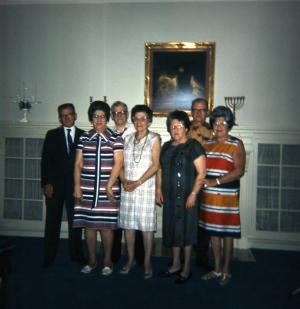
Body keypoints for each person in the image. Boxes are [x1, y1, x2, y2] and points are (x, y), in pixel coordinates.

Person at [73, 101, 123, 276]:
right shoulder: (84, 137)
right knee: (89, 227)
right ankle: (92, 259)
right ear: (91, 118)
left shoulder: (115, 138)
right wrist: (77, 187)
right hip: (86, 189)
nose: (99, 119)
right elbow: (78, 163)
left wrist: (109, 185)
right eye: (96, 116)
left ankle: (107, 260)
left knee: (106, 227)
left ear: (107, 119)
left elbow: (119, 163)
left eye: (102, 116)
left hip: (107, 190)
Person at [156, 110, 206, 284]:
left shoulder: (194, 146)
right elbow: (160, 169)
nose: (175, 129)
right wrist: (158, 190)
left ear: (186, 128)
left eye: (179, 126)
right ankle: (176, 264)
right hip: (169, 197)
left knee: (187, 230)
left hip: (187, 196)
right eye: (172, 126)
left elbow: (202, 173)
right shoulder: (166, 147)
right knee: (173, 229)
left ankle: (186, 268)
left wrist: (193, 194)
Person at [199, 106, 246, 285]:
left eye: (223, 123)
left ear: (229, 125)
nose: (218, 126)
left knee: (227, 233)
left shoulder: (236, 143)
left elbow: (239, 171)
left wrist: (216, 181)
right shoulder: (207, 143)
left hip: (227, 195)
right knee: (213, 233)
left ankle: (226, 269)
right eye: (216, 123)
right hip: (209, 196)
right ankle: (216, 268)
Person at [118, 105, 161, 279]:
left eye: (143, 118)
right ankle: (130, 260)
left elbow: (156, 165)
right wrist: (123, 180)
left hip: (145, 189)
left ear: (149, 120)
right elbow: (119, 164)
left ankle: (147, 262)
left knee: (146, 229)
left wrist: (138, 182)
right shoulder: (126, 139)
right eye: (136, 118)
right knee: (128, 226)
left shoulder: (154, 139)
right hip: (128, 188)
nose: (139, 122)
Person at [41, 103, 85, 268]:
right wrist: (46, 183)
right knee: (52, 223)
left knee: (76, 223)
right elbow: (45, 161)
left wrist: (82, 185)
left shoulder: (83, 135)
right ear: (59, 118)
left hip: (75, 187)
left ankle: (77, 255)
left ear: (75, 116)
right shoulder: (51, 135)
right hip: (55, 186)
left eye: (69, 114)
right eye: (63, 115)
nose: (66, 118)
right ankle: (49, 257)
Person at [110, 101, 145, 265]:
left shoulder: (136, 131)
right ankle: (114, 255)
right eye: (116, 113)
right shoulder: (108, 134)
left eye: (123, 112)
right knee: (115, 219)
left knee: (134, 220)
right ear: (112, 115)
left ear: (127, 114)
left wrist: (128, 181)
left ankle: (139, 256)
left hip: (132, 180)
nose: (120, 115)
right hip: (114, 180)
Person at [188, 98, 213, 271]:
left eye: (202, 110)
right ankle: (183, 256)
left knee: (204, 219)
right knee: (187, 217)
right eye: (195, 110)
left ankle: (202, 255)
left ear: (207, 112)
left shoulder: (215, 131)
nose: (198, 113)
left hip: (207, 180)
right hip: (188, 179)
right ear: (191, 111)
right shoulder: (184, 129)